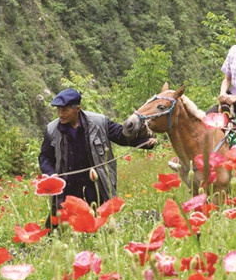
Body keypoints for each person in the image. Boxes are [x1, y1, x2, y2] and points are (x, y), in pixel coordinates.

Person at [39, 88, 157, 226]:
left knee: (99, 222)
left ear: (77, 109)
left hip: (96, 182)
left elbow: (121, 136)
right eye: (58, 110)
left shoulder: (99, 122)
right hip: (68, 183)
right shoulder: (52, 129)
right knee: (58, 223)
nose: (60, 114)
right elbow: (44, 157)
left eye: (64, 110)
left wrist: (144, 143)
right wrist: (51, 175)